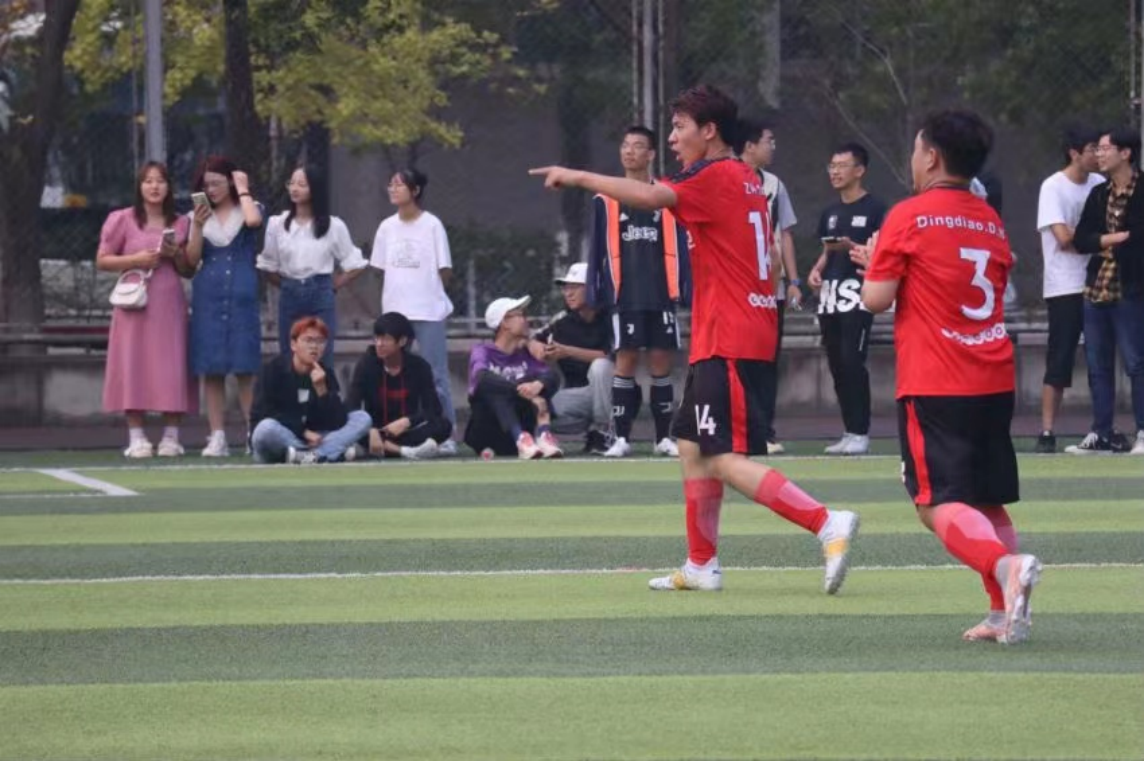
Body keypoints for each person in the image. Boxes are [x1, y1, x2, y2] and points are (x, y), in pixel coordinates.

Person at [530, 84, 859, 594]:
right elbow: (768, 257)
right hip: (735, 330)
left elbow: (650, 196)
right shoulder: (747, 178)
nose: (672, 138)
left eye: (680, 127)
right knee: (690, 444)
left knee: (721, 456)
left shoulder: (713, 175)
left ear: (709, 131)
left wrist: (577, 176)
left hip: (729, 336)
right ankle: (701, 564)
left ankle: (825, 522)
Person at [857, 109, 1042, 644]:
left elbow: (875, 298)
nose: (913, 158)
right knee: (985, 498)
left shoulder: (909, 215)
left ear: (932, 156)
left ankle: (1006, 568)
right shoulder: (989, 219)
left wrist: (878, 261)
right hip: (994, 378)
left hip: (936, 379)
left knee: (934, 503)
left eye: (917, 149)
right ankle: (1003, 613)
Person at [586, 125, 690, 458]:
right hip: (625, 295)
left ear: (651, 154)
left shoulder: (667, 196)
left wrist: (685, 285)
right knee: (626, 360)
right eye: (625, 145)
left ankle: (663, 438)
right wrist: (594, 288)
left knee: (661, 362)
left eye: (638, 146)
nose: (629, 151)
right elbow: (596, 249)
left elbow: (684, 247)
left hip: (660, 293)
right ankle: (621, 437)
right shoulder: (605, 199)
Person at [96, 161, 197, 457]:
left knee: (172, 363)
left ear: (169, 187)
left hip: (168, 301)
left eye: (160, 181)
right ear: (139, 187)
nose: (154, 187)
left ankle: (171, 436)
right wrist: (135, 260)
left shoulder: (181, 223)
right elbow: (102, 259)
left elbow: (188, 269)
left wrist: (175, 254)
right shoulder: (122, 219)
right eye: (148, 181)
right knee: (133, 363)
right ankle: (136, 436)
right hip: (133, 302)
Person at [368, 167, 458, 454]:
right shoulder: (386, 227)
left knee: (437, 376)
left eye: (400, 185)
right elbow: (379, 269)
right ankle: (392, 434)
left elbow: (445, 269)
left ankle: (446, 436)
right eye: (391, 184)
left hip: (428, 311)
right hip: (395, 314)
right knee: (392, 374)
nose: (393, 189)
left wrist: (430, 293)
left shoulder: (432, 225)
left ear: (415, 191)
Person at [1066, 127, 1144, 455]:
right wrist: (1112, 239)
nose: (1098, 154)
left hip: (1131, 289)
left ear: (1125, 153)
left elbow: (1139, 239)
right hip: (1097, 288)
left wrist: (1108, 242)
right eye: (1096, 149)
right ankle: (1101, 432)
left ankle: (1142, 431)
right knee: (1098, 365)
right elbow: (1081, 239)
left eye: (1104, 149)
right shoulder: (1099, 194)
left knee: (1136, 362)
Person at [807, 143, 888, 455]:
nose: (835, 172)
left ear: (859, 170)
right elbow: (826, 251)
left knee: (853, 360)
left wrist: (851, 246)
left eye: (842, 166)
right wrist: (816, 270)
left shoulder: (876, 208)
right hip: (830, 296)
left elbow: (883, 252)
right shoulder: (830, 212)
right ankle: (849, 431)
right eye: (832, 166)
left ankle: (861, 432)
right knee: (837, 364)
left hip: (858, 295)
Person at [186, 155, 264, 457]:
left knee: (245, 367)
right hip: (208, 296)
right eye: (207, 185)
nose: (212, 190)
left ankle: (253, 432)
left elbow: (254, 221)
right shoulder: (198, 216)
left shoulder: (249, 208)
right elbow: (192, 259)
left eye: (217, 183)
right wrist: (197, 225)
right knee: (212, 368)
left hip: (242, 295)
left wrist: (243, 188)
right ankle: (217, 435)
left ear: (230, 182)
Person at [735, 116, 803, 455]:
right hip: (737, 289)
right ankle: (741, 430)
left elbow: (785, 234)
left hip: (770, 289)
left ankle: (765, 431)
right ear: (749, 146)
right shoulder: (726, 178)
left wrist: (793, 281)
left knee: (767, 360)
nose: (773, 146)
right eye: (768, 140)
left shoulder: (774, 184)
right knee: (739, 361)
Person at [1034, 128, 1103, 453]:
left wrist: (1090, 238)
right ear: (1075, 153)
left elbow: (1108, 229)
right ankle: (1047, 431)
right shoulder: (1053, 187)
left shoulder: (1099, 184)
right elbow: (1062, 237)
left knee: (1099, 358)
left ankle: (1102, 428)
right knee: (1060, 358)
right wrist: (1093, 238)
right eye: (1092, 149)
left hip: (1097, 282)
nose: (1098, 155)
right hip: (1064, 286)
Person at [258, 164, 368, 366]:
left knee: (321, 357)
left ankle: (321, 388)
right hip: (290, 293)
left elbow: (356, 264)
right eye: (291, 183)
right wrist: (287, 285)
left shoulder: (333, 225)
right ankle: (294, 389)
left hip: (320, 293)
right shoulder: (277, 224)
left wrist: (333, 284)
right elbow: (268, 266)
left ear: (314, 188)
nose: (294, 188)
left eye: (302, 184)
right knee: (290, 358)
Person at [249, 316, 372, 464]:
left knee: (362, 418)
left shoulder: (325, 373)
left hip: (317, 439)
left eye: (320, 341)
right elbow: (265, 413)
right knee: (265, 429)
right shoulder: (272, 370)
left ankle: (309, 456)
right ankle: (328, 453)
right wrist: (303, 432)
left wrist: (322, 389)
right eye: (308, 340)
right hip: (283, 439)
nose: (314, 346)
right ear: (293, 344)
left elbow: (337, 422)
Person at [528, 263, 614, 452]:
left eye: (575, 287)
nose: (568, 293)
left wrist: (567, 351)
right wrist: (540, 349)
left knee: (600, 366)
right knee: (538, 409)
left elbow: (613, 357)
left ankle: (604, 431)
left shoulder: (612, 317)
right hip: (579, 396)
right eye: (566, 288)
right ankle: (591, 431)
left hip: (616, 396)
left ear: (593, 289)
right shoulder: (563, 320)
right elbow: (532, 339)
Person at [464, 296, 564, 459]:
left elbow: (551, 376)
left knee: (538, 382)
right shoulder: (483, 351)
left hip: (522, 429)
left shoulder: (526, 353)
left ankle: (543, 436)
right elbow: (480, 377)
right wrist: (520, 390)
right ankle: (520, 438)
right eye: (520, 315)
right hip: (487, 431)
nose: (526, 320)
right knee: (494, 385)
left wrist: (537, 385)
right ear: (505, 323)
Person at [346, 312, 452, 460]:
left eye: (385, 339)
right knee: (350, 430)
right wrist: (370, 429)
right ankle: (408, 451)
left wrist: (407, 422)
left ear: (402, 341)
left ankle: (378, 450)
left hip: (406, 431)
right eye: (377, 338)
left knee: (444, 425)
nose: (379, 344)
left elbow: (433, 409)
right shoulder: (366, 365)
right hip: (377, 432)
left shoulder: (419, 366)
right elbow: (351, 406)